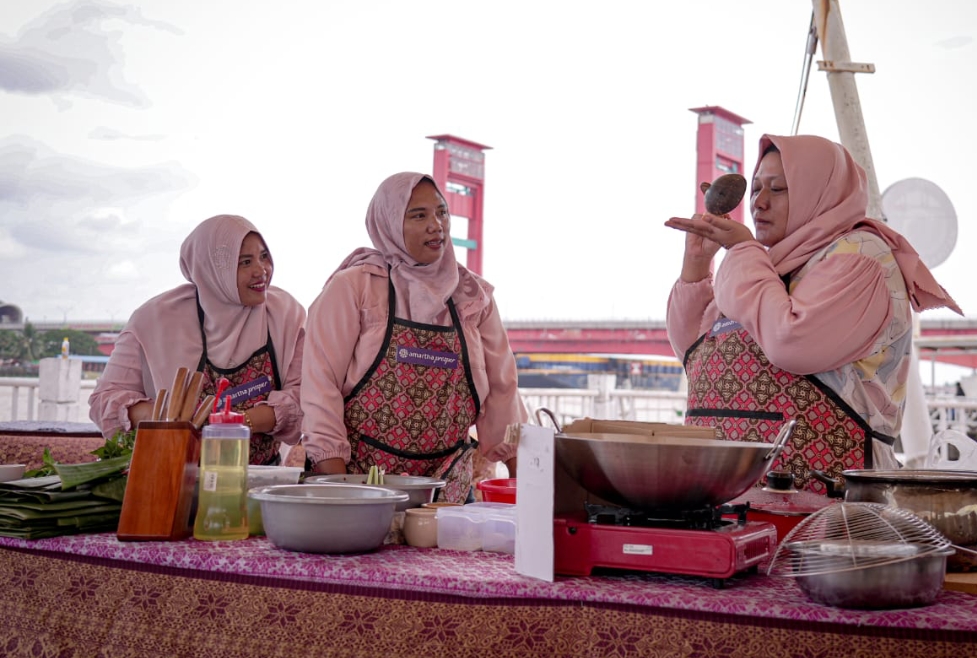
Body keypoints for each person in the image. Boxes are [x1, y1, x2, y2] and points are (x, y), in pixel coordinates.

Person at [664, 134, 961, 494]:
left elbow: (792, 343)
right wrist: (697, 264)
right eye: (756, 189)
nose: (759, 202)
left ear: (819, 190)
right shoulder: (767, 264)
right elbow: (697, 351)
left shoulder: (860, 257)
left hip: (830, 505)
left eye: (778, 189)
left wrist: (742, 249)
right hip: (733, 496)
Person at [300, 172, 525, 503]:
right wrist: (340, 489)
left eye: (442, 212)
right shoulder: (355, 288)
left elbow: (503, 390)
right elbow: (320, 386)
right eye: (419, 216)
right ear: (389, 224)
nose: (436, 225)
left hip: (447, 490)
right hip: (359, 485)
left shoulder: (472, 296)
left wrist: (525, 488)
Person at [89, 214, 306, 465]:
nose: (261, 271)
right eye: (245, 262)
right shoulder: (154, 320)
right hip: (172, 474)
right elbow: (103, 400)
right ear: (211, 270)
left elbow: (303, 395)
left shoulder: (286, 315)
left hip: (260, 476)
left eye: (264, 256)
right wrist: (170, 416)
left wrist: (235, 422)